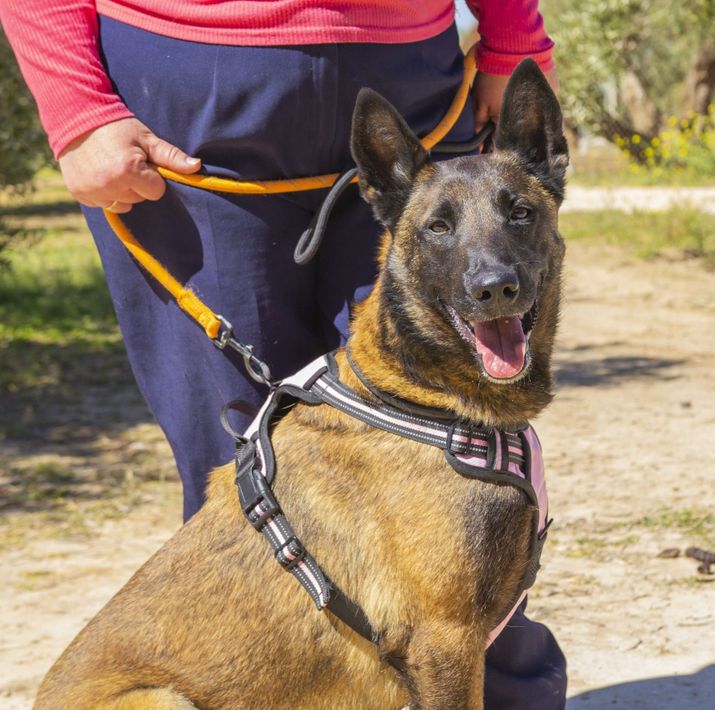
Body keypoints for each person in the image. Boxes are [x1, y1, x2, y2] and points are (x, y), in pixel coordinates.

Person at [0, 2, 566, 707]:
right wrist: (77, 108)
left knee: (460, 464)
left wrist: (513, 40)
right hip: (189, 112)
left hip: (411, 79)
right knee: (243, 462)